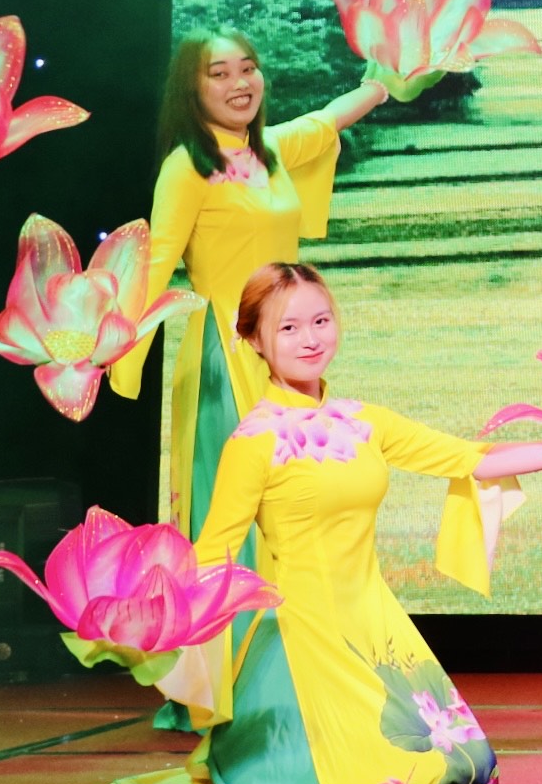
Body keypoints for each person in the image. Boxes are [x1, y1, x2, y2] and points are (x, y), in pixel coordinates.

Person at [77, 263, 542, 784]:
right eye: (289, 328)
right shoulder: (254, 441)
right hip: (304, 632)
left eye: (321, 320)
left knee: (464, 765)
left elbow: (475, 461)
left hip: (372, 618)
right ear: (253, 339)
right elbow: (215, 548)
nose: (311, 338)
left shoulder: (364, 422)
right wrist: (149, 620)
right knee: (393, 773)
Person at [123, 32, 390, 548]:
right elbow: (155, 262)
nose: (239, 84)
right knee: (234, 505)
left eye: (247, 69)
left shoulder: (267, 151)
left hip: (287, 352)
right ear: (190, 90)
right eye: (219, 74)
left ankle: (290, 625)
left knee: (295, 501)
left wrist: (383, 84)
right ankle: (235, 627)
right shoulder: (188, 167)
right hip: (228, 354)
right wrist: (115, 352)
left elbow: (327, 120)